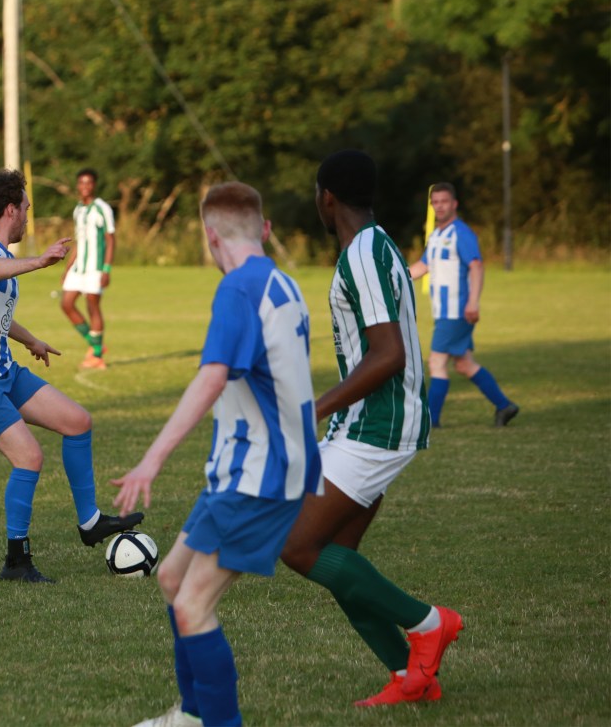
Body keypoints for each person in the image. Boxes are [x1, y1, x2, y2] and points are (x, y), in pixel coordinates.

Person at [113, 182, 322, 727]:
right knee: (171, 580)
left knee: (192, 607)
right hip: (251, 469)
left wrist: (151, 460)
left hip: (258, 475)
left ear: (210, 237)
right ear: (265, 229)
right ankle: (191, 716)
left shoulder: (237, 288)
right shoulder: (283, 282)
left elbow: (211, 378)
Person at [278, 150, 463, 706]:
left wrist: (314, 408)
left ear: (327, 197)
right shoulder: (374, 246)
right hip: (366, 421)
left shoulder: (362, 253)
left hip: (379, 423)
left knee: (295, 544)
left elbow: (389, 354)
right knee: (337, 555)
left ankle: (429, 623)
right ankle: (411, 678)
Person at [0, 169, 143, 584]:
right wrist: (39, 261)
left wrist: (31, 340)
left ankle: (90, 522)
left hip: (1, 370)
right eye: (26, 208)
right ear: (10, 210)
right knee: (29, 457)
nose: (28, 217)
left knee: (77, 421)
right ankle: (16, 561)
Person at [408, 183, 519, 427]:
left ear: (454, 204)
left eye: (444, 201)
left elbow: (476, 266)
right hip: (443, 311)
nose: (439, 206)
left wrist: (473, 302)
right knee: (464, 364)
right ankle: (504, 406)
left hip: (456, 311)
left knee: (436, 363)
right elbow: (424, 265)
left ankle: (430, 421)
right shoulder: (436, 235)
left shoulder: (461, 233)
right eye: (435, 202)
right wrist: (397, 277)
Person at [60, 168, 116, 370]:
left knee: (92, 306)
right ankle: (95, 343)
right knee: (66, 304)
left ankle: (97, 356)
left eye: (89, 183)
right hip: (78, 268)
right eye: (81, 183)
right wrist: (68, 267)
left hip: (95, 268)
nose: (85, 186)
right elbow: (79, 241)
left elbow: (110, 240)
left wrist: (106, 269)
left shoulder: (102, 208)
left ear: (94, 185)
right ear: (78, 185)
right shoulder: (78, 210)